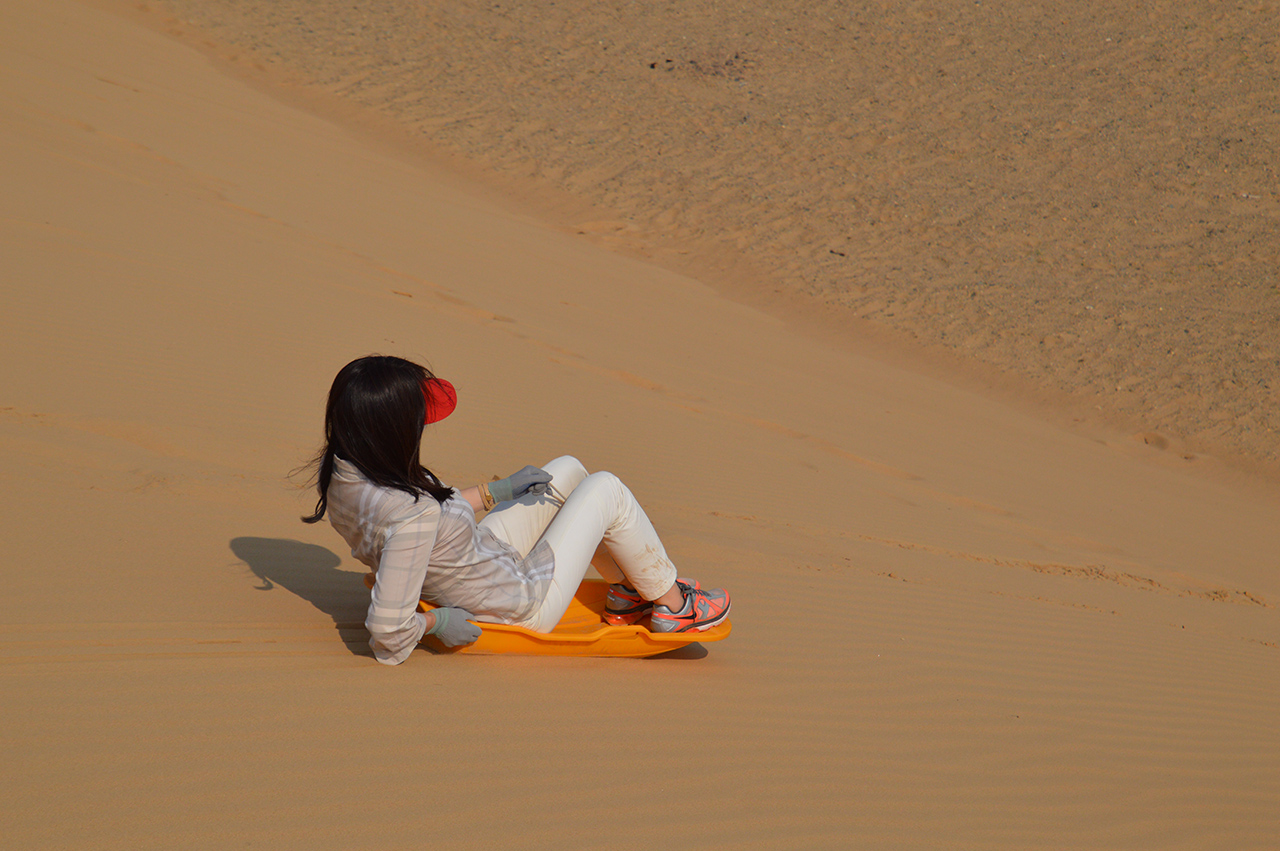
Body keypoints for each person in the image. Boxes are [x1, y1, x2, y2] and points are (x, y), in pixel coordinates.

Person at [303, 355, 730, 664]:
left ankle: (628, 595)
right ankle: (676, 608)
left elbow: (425, 520)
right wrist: (437, 625)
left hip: (476, 556)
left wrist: (495, 492)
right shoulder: (412, 518)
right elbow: (386, 632)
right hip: (520, 602)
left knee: (568, 470)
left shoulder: (347, 468)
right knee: (607, 490)